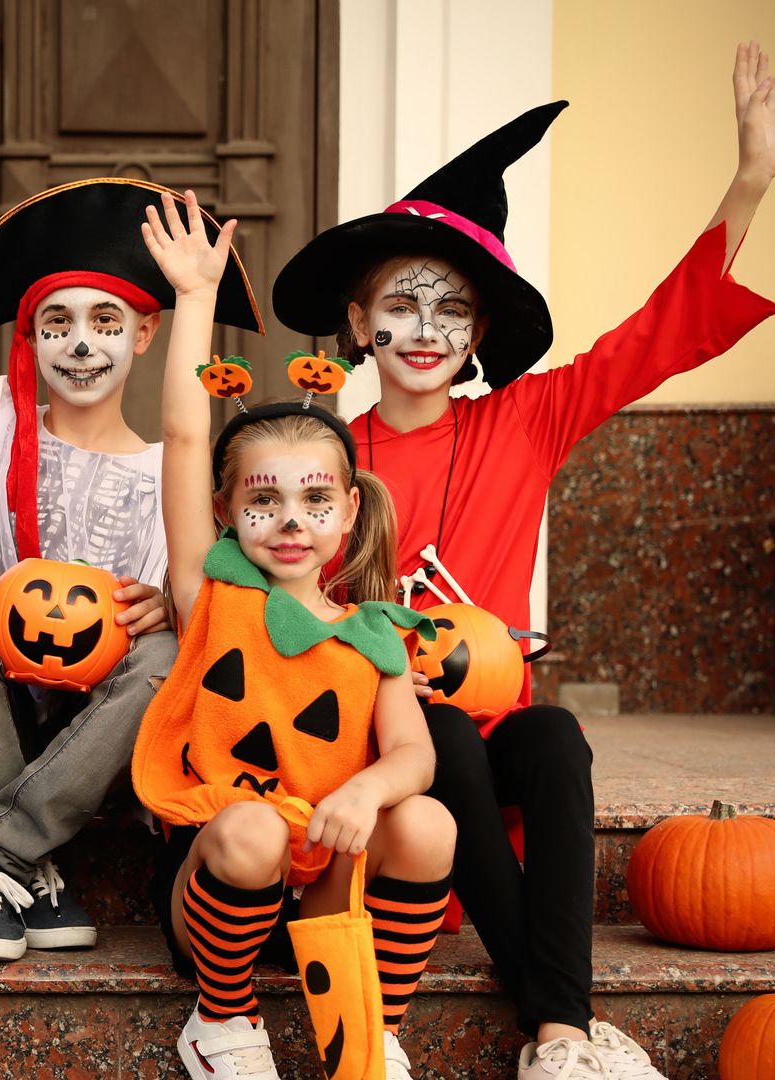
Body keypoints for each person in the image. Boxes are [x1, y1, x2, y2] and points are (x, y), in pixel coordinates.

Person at [266, 43, 775, 1080]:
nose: (425, 328)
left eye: (452, 309)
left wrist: (751, 181)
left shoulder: (527, 420)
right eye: (400, 306)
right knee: (441, 730)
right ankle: (563, 1025)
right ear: (358, 323)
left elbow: (656, 336)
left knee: (552, 734)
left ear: (481, 333)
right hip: (387, 769)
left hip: (492, 764)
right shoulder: (318, 459)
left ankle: (558, 1039)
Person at [0, 51, 261, 962]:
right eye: (57, 322)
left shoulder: (164, 473)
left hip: (97, 736)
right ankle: (30, 870)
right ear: (28, 333)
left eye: (105, 324)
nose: (80, 344)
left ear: (145, 335)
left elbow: (191, 595)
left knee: (160, 651)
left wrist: (168, 601)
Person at [130, 188, 457, 1080]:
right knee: (252, 833)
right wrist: (195, 300)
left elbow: (414, 757)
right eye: (262, 499)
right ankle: (221, 1022)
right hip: (225, 877)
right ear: (227, 512)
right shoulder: (213, 594)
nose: (289, 519)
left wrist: (367, 795)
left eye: (315, 499)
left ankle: (372, 1026)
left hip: (325, 882)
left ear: (349, 510)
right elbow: (181, 433)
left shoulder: (374, 632)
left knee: (425, 825)